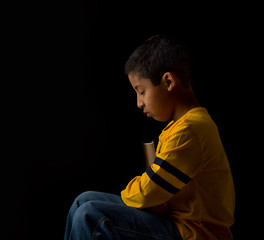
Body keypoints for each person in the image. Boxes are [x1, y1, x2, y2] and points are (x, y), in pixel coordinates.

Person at [64, 34, 235, 240]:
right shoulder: (181, 126)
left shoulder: (190, 130)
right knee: (82, 201)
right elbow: (156, 194)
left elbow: (148, 191)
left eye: (141, 91)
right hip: (174, 221)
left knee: (90, 215)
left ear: (168, 81)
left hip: (192, 233)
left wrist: (143, 191)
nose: (139, 102)